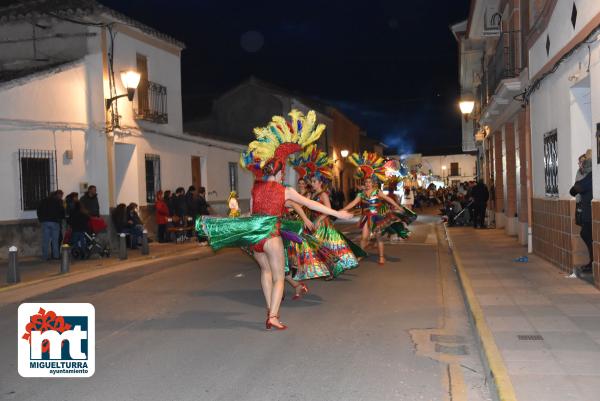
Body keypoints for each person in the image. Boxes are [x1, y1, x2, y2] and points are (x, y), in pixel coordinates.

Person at [200, 110, 354, 330]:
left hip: (255, 237)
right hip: (272, 235)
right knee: (279, 276)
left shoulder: (255, 189)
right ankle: (273, 315)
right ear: (280, 171)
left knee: (265, 271)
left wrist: (237, 219)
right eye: (283, 171)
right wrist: (338, 214)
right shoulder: (285, 190)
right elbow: (311, 204)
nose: (283, 175)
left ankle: (269, 308)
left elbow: (252, 212)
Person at [292, 145, 364, 279]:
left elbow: (329, 210)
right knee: (317, 247)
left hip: (323, 224)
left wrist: (319, 220)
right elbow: (302, 204)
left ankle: (332, 270)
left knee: (326, 248)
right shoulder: (312, 194)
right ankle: (317, 268)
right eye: (311, 181)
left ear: (320, 183)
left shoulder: (323, 194)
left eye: (314, 181)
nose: (312, 183)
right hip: (314, 223)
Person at [343, 151, 415, 265]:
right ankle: (361, 254)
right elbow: (352, 203)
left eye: (369, 182)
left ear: (373, 183)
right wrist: (342, 210)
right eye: (366, 182)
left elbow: (389, 200)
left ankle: (381, 257)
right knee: (363, 238)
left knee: (379, 237)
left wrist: (398, 207)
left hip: (377, 217)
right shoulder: (361, 194)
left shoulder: (378, 191)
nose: (367, 184)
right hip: (367, 218)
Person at [570, 153, 593, 274]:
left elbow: (574, 190)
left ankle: (593, 262)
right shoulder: (590, 176)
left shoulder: (590, 177)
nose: (581, 166)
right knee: (587, 235)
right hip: (588, 213)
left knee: (587, 234)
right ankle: (592, 262)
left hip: (590, 214)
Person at [36, 190, 65, 260]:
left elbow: (38, 210)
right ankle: (56, 256)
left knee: (45, 240)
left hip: (45, 222)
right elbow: (62, 211)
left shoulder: (43, 201)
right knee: (55, 240)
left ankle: (45, 256)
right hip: (55, 222)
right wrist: (61, 217)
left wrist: (41, 219)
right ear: (56, 195)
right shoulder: (58, 201)